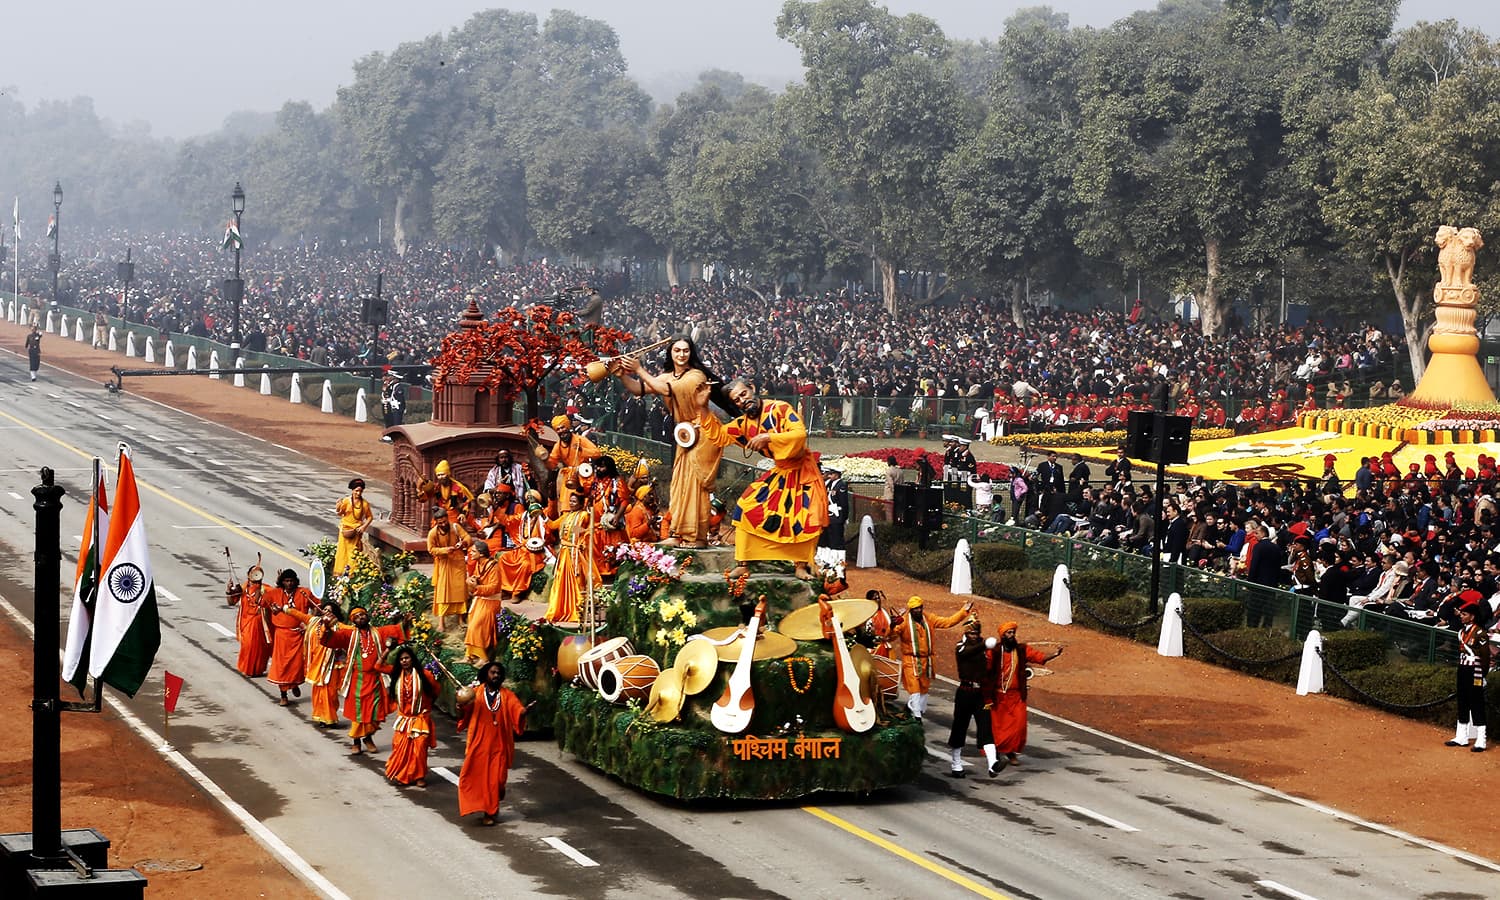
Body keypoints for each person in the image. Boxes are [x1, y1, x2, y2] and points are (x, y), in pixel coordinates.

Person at [693, 378, 830, 580]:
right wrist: (702, 407)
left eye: (743, 394)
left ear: (752, 388)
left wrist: (768, 437)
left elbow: (799, 434)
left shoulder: (780, 408)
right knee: (745, 507)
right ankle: (743, 563)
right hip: (780, 472)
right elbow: (719, 436)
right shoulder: (743, 424)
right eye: (737, 400)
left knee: (805, 517)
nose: (742, 400)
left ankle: (801, 566)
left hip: (803, 471)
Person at [613, 336, 727, 547]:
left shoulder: (696, 376)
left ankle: (697, 536)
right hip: (685, 434)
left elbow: (666, 389)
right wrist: (621, 375)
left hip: (703, 432)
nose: (681, 354)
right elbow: (639, 389)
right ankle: (677, 532)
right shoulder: (666, 376)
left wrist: (639, 369)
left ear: (691, 353)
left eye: (685, 350)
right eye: (677, 350)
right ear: (670, 353)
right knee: (679, 484)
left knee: (695, 485)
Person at [319, 605, 411, 755]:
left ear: (367, 616)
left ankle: (368, 738)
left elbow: (396, 630)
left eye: (362, 614)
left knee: (375, 713)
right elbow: (330, 640)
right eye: (356, 616)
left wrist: (405, 623)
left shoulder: (378, 632)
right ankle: (356, 742)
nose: (360, 617)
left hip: (376, 679)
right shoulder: (349, 634)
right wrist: (327, 627)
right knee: (358, 713)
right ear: (353, 621)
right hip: (357, 679)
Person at [457, 661, 532, 827]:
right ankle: (488, 812)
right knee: (473, 777)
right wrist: (461, 706)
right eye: (493, 672)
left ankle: (493, 802)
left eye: (498, 673)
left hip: (499, 744)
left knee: (496, 781)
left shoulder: (506, 695)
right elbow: (464, 714)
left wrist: (523, 712)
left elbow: (516, 708)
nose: (496, 675)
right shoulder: (475, 693)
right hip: (479, 743)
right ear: (486, 674)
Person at [989, 621, 1062, 766]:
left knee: (1019, 727)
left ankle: (1011, 752)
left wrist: (1054, 654)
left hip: (1017, 696)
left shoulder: (1021, 649)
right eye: (1009, 633)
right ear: (1002, 635)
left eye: (1013, 632)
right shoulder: (995, 651)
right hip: (998, 696)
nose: (1012, 635)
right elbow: (984, 666)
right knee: (998, 728)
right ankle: (999, 753)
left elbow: (1039, 657)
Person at [890, 595, 971, 719]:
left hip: (927, 661)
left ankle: (913, 710)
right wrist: (892, 626)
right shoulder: (903, 621)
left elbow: (947, 622)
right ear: (911, 610)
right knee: (915, 689)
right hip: (911, 660)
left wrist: (963, 611)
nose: (918, 610)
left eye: (920, 608)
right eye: (915, 609)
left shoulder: (928, 618)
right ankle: (917, 716)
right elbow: (890, 636)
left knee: (923, 689)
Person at [948, 616, 1002, 778]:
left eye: (977, 633)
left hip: (981, 694)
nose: (974, 636)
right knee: (960, 727)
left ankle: (993, 764)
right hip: (965, 692)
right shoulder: (961, 647)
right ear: (966, 633)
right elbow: (967, 652)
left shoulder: (985, 647)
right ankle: (956, 764)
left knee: (986, 726)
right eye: (971, 633)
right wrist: (984, 645)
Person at [378, 645, 440, 786]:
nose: (404, 661)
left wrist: (427, 706)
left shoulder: (425, 675)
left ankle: (419, 777)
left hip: (420, 718)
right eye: (401, 659)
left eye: (407, 658)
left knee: (420, 748)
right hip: (404, 718)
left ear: (412, 659)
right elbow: (378, 666)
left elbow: (436, 690)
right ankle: (403, 775)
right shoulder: (396, 673)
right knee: (399, 747)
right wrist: (387, 650)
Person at [545, 488, 598, 624]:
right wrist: (542, 515)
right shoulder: (566, 516)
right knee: (561, 581)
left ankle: (577, 610)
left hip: (576, 553)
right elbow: (552, 525)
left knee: (577, 580)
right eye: (570, 501)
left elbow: (588, 531)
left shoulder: (584, 515)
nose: (571, 503)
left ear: (580, 503)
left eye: (574, 501)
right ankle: (561, 608)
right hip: (564, 553)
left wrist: (579, 537)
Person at [263, 569, 315, 706]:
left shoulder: (304, 592)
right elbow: (262, 604)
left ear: (295, 581)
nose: (289, 583)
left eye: (291, 581)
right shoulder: (274, 593)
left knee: (296, 665)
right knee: (282, 666)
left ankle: (293, 683)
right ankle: (283, 695)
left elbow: (317, 605)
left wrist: (309, 623)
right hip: (281, 635)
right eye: (286, 581)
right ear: (282, 582)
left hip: (298, 634)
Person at [1445, 598, 1490, 751]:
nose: (1461, 616)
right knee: (1462, 701)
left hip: (1475, 670)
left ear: (1472, 616)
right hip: (1463, 668)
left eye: (1464, 614)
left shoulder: (1480, 633)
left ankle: (1481, 739)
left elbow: (1485, 658)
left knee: (1476, 703)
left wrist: (1482, 675)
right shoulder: (1462, 632)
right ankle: (1461, 736)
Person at [427, 505, 471, 629]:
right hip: (444, 563)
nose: (443, 524)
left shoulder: (456, 527)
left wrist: (463, 543)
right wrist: (445, 550)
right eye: (440, 523)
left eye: (445, 521)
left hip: (458, 562)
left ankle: (461, 619)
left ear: (447, 518)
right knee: (443, 593)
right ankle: (441, 623)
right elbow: (431, 549)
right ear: (436, 522)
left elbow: (467, 537)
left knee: (460, 591)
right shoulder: (432, 533)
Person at [547, 415, 600, 513]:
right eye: (558, 429)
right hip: (569, 478)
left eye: (562, 427)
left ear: (568, 427)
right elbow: (552, 464)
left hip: (584, 475)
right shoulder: (558, 446)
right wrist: (545, 458)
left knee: (586, 504)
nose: (561, 431)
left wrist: (582, 450)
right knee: (566, 505)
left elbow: (597, 453)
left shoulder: (580, 440)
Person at [464, 540, 503, 663]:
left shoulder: (494, 567)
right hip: (480, 600)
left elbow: (494, 587)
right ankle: (470, 655)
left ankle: (483, 658)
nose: (470, 553)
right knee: (471, 623)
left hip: (491, 602)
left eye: (473, 551)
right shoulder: (479, 564)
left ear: (481, 554)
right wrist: (471, 580)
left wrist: (477, 587)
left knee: (476, 626)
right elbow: (477, 577)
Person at [229, 568, 271, 678]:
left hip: (259, 622)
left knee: (259, 648)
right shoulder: (243, 587)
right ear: (248, 575)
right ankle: (248, 668)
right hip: (245, 621)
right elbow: (231, 602)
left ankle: (257, 670)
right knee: (247, 645)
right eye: (253, 573)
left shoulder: (266, 589)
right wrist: (229, 591)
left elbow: (277, 597)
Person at [334, 478, 373, 577]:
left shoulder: (364, 504)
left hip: (356, 531)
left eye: (360, 491)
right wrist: (338, 507)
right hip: (345, 530)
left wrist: (363, 527)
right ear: (352, 490)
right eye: (356, 491)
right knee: (342, 551)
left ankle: (352, 574)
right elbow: (340, 513)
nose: (358, 493)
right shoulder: (346, 501)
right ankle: (340, 573)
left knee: (353, 553)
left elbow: (370, 517)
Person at [816, 464, 850, 571]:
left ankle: (839, 561)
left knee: (837, 539)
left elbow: (844, 503)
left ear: (837, 475)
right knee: (829, 538)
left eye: (832, 474)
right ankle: (829, 560)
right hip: (830, 515)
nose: (829, 476)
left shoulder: (841, 485)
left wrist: (843, 517)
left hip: (837, 515)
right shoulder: (830, 484)